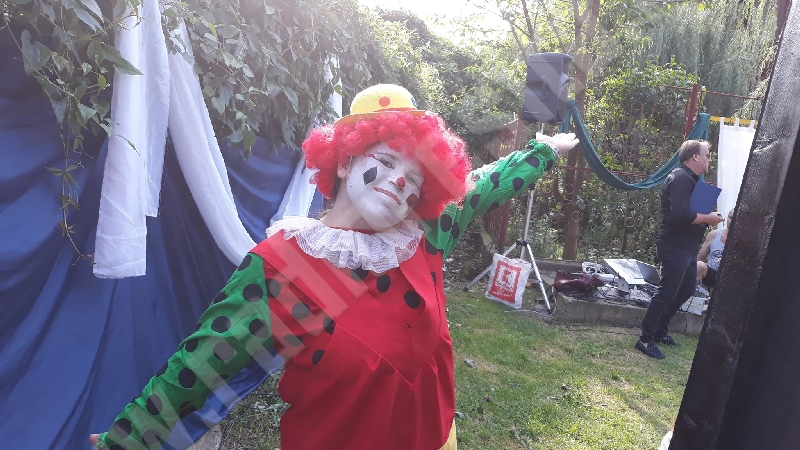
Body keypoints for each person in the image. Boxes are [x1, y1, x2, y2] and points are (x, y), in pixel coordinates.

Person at [89, 84, 579, 450]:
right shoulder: (285, 268)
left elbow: (488, 183)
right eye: (386, 161)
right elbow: (199, 368)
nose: (399, 182)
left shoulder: (424, 234)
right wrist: (128, 441)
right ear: (344, 162)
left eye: (414, 177)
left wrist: (546, 150)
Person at [636, 140, 724, 359]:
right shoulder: (681, 178)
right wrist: (709, 218)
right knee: (667, 291)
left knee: (686, 289)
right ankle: (645, 339)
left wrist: (705, 214)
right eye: (707, 155)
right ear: (695, 156)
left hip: (687, 247)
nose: (709, 159)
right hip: (674, 245)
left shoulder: (691, 180)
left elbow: (690, 212)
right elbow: (681, 215)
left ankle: (659, 330)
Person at [697, 208, 735, 289]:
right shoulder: (714, 235)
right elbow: (700, 258)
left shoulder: (745, 240)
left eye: (736, 218)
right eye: (731, 217)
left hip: (731, 278)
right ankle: (694, 293)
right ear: (727, 218)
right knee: (699, 265)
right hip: (712, 274)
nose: (732, 221)